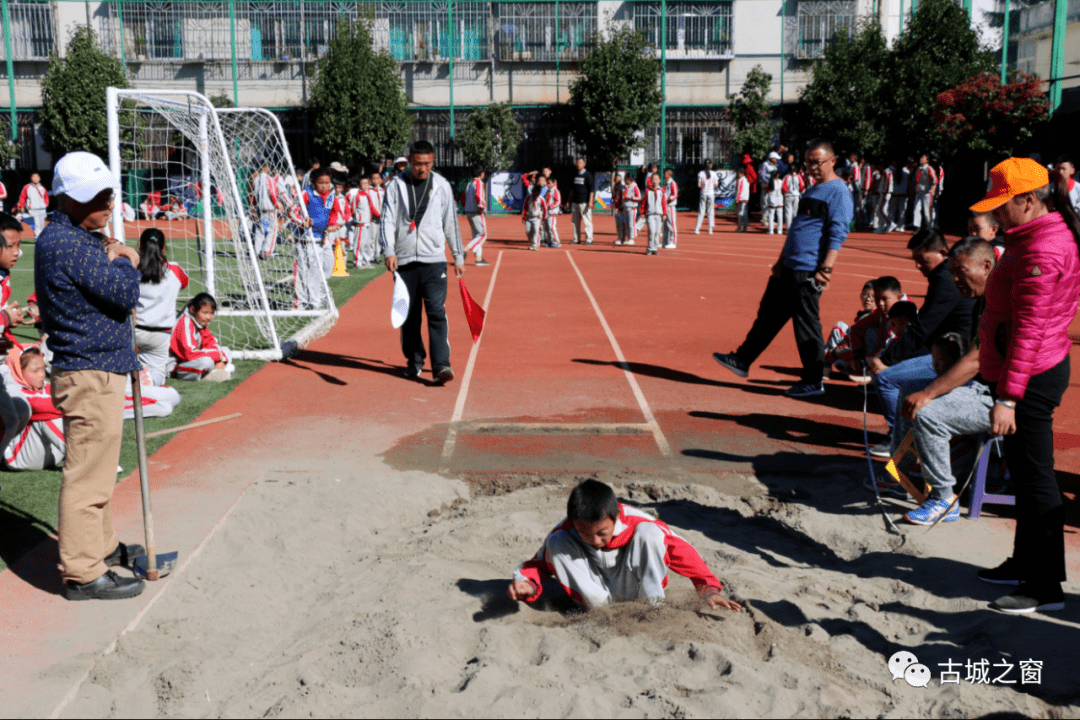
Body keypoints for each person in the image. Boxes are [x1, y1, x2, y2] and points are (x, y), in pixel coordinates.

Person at [970, 158, 1080, 614]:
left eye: (1002, 206)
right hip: (1024, 369)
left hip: (1031, 375)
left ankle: (1044, 586)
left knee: (1036, 478)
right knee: (1023, 474)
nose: (995, 216)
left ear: (1029, 200)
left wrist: (1008, 397)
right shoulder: (1026, 239)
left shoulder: (1042, 250)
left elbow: (1030, 331)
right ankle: (1024, 562)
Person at [35, 151, 146, 601]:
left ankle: (98, 548)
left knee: (98, 473)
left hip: (97, 366)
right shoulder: (64, 243)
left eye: (108, 193)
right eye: (95, 197)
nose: (106, 203)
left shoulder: (75, 236)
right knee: (87, 477)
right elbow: (123, 292)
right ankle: (81, 571)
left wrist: (110, 248)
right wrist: (126, 258)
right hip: (88, 370)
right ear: (66, 200)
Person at [866, 237, 998, 523]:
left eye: (960, 273)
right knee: (909, 391)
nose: (955, 280)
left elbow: (975, 359)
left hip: (996, 395)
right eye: (952, 274)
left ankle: (943, 497)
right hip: (976, 381)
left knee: (926, 409)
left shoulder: (998, 300)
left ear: (986, 266)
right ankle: (900, 473)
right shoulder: (982, 300)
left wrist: (930, 392)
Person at [713, 139, 854, 398]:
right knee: (768, 315)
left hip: (809, 269)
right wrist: (781, 260)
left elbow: (838, 232)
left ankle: (813, 379)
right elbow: (796, 232)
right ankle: (742, 360)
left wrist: (826, 268)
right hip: (789, 266)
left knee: (806, 324)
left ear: (833, 161)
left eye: (817, 162)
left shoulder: (839, 191)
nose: (811, 167)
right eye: (808, 162)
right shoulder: (812, 190)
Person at [507, 480, 742, 612]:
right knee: (555, 542)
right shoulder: (566, 530)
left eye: (602, 533)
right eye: (586, 534)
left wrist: (709, 589)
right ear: (573, 521)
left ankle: (653, 608)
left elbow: (684, 552)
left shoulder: (637, 521)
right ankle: (600, 612)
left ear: (616, 516)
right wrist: (527, 584)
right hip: (592, 592)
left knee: (651, 533)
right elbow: (538, 564)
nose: (596, 541)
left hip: (633, 585)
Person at [865, 229, 974, 454]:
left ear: (943, 252)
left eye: (922, 260)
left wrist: (886, 359)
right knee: (904, 384)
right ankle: (905, 443)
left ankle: (900, 442)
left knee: (886, 379)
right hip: (945, 351)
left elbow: (922, 326)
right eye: (915, 261)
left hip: (956, 358)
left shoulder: (946, 278)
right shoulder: (944, 275)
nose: (918, 267)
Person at [382, 140, 465, 384]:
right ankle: (414, 359)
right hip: (404, 260)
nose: (423, 169)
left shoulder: (441, 186)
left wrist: (458, 255)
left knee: (436, 311)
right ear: (410, 162)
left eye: (428, 163)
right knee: (408, 315)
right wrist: (389, 250)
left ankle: (442, 364)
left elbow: (451, 222)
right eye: (418, 164)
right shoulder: (396, 185)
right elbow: (387, 219)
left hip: (434, 260)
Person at [134, 229, 189, 386]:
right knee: (158, 373)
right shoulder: (175, 270)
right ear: (163, 248)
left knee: (123, 368)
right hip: (161, 333)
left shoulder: (131, 268)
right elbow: (185, 283)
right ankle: (148, 382)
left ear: (139, 245)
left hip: (134, 329)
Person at [294, 168, 339, 308]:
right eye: (321, 183)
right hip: (305, 237)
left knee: (326, 266)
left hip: (322, 237)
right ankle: (304, 302)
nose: (324, 186)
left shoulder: (332, 195)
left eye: (327, 182)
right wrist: (302, 221)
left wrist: (332, 224)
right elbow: (292, 211)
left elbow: (334, 212)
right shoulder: (306, 193)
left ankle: (317, 294)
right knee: (305, 269)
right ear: (313, 182)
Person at [168, 293, 234, 382]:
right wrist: (217, 356)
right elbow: (189, 354)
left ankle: (216, 371)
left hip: (191, 359)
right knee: (206, 362)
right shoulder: (184, 322)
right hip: (175, 364)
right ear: (192, 309)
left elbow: (211, 342)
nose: (209, 317)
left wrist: (220, 361)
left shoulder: (199, 322)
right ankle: (213, 374)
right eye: (205, 312)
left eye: (212, 313)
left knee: (226, 350)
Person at [252, 163, 282, 259]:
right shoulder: (269, 179)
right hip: (270, 209)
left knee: (261, 230)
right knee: (272, 230)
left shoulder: (255, 180)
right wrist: (278, 205)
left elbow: (254, 196)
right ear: (265, 167)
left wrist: (255, 207)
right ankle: (266, 251)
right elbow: (272, 193)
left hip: (261, 210)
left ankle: (256, 251)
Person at [463, 166, 488, 266]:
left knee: (476, 235)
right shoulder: (478, 182)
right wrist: (481, 206)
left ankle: (479, 258)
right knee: (483, 235)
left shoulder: (469, 183)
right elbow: (479, 195)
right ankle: (465, 250)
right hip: (476, 211)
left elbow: (463, 197)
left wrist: (466, 206)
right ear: (481, 173)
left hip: (469, 211)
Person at [352, 176, 379, 269]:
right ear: (359, 185)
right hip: (360, 223)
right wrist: (357, 218)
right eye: (363, 183)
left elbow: (371, 207)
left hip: (368, 222)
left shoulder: (367, 195)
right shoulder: (357, 195)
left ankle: (366, 261)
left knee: (367, 243)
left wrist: (379, 215)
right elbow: (353, 208)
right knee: (359, 243)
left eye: (366, 183)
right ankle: (357, 262)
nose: (365, 185)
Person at [569, 158, 594, 245]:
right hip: (575, 202)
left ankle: (589, 239)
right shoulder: (575, 174)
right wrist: (569, 201)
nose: (578, 164)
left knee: (587, 221)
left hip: (584, 202)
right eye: (577, 163)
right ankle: (576, 239)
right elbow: (572, 189)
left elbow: (591, 190)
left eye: (580, 162)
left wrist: (590, 201)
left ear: (584, 164)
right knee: (575, 222)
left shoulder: (588, 175)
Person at [17, 173, 49, 238]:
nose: (36, 178)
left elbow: (46, 197)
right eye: (34, 177)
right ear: (31, 179)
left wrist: (45, 204)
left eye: (37, 177)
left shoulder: (42, 187)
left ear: (39, 179)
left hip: (42, 209)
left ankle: (41, 237)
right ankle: (37, 238)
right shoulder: (27, 187)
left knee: (41, 225)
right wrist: (22, 206)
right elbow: (22, 197)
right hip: (33, 208)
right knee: (36, 224)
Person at [642, 172, 666, 256]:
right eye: (653, 179)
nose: (655, 181)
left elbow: (664, 203)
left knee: (657, 232)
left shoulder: (661, 191)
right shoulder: (648, 191)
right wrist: (642, 212)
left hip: (659, 214)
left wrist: (664, 213)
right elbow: (644, 202)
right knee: (651, 231)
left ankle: (655, 248)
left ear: (659, 180)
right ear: (651, 180)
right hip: (650, 214)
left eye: (656, 179)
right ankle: (650, 248)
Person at [911, 154, 938, 231]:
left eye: (923, 158)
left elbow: (935, 180)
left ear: (927, 160)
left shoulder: (929, 169)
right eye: (921, 157)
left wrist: (933, 189)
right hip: (919, 192)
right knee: (916, 208)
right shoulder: (919, 169)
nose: (921, 159)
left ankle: (929, 227)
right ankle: (917, 227)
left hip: (927, 192)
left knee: (927, 211)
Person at [522, 180, 548, 251]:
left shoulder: (541, 199)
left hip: (537, 217)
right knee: (528, 231)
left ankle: (535, 245)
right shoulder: (528, 198)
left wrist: (544, 218)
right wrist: (523, 217)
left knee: (536, 231)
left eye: (537, 194)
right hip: (529, 217)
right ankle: (531, 242)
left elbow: (545, 209)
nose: (535, 196)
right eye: (534, 194)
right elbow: (525, 207)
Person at [695, 160, 718, 234]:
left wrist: (704, 186)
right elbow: (716, 184)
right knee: (710, 211)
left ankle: (697, 229)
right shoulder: (714, 174)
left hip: (703, 193)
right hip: (711, 193)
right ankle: (710, 229)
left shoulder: (701, 173)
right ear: (710, 165)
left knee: (701, 211)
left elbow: (699, 185)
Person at [758, 153, 780, 226]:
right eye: (775, 158)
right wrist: (768, 182)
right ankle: (764, 219)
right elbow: (762, 175)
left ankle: (770, 219)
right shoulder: (765, 164)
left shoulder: (775, 165)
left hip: (772, 186)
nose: (776, 160)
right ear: (771, 158)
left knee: (771, 201)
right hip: (766, 185)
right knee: (765, 201)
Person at [781, 166, 805, 232]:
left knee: (788, 212)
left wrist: (785, 193)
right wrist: (799, 192)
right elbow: (802, 186)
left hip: (788, 195)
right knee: (795, 212)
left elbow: (783, 187)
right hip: (796, 195)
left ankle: (788, 228)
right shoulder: (798, 176)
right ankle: (794, 228)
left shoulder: (786, 177)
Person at [620, 175, 641, 246]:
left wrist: (630, 197)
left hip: (632, 207)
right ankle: (629, 238)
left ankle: (631, 239)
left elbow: (639, 197)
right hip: (625, 207)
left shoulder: (634, 186)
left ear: (629, 179)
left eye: (626, 179)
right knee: (626, 224)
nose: (625, 180)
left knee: (631, 224)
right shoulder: (625, 187)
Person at [662, 168, 678, 249]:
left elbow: (675, 194)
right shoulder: (665, 183)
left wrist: (667, 199)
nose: (663, 175)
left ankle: (673, 242)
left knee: (671, 224)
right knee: (664, 225)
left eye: (665, 173)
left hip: (670, 206)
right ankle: (664, 242)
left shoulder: (672, 183)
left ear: (669, 174)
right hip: (665, 206)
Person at [544, 178, 562, 248]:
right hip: (547, 212)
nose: (548, 184)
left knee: (551, 227)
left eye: (550, 183)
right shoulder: (548, 191)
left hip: (552, 211)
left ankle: (556, 241)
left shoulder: (555, 191)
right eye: (547, 183)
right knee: (547, 227)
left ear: (554, 183)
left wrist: (550, 206)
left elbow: (558, 201)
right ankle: (549, 241)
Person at [611, 172, 627, 245]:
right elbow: (614, 197)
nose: (617, 179)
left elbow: (623, 199)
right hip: (616, 208)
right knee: (618, 225)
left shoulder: (623, 187)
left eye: (619, 178)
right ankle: (620, 238)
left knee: (622, 224)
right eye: (616, 178)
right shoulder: (614, 187)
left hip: (622, 208)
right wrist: (613, 200)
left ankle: (623, 239)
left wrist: (620, 207)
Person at [734, 167, 750, 233]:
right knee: (745, 213)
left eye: (738, 173)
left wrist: (737, 199)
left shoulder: (741, 180)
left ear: (741, 173)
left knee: (740, 213)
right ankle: (745, 227)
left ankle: (740, 227)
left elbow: (739, 190)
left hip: (741, 198)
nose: (737, 174)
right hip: (746, 198)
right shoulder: (746, 179)